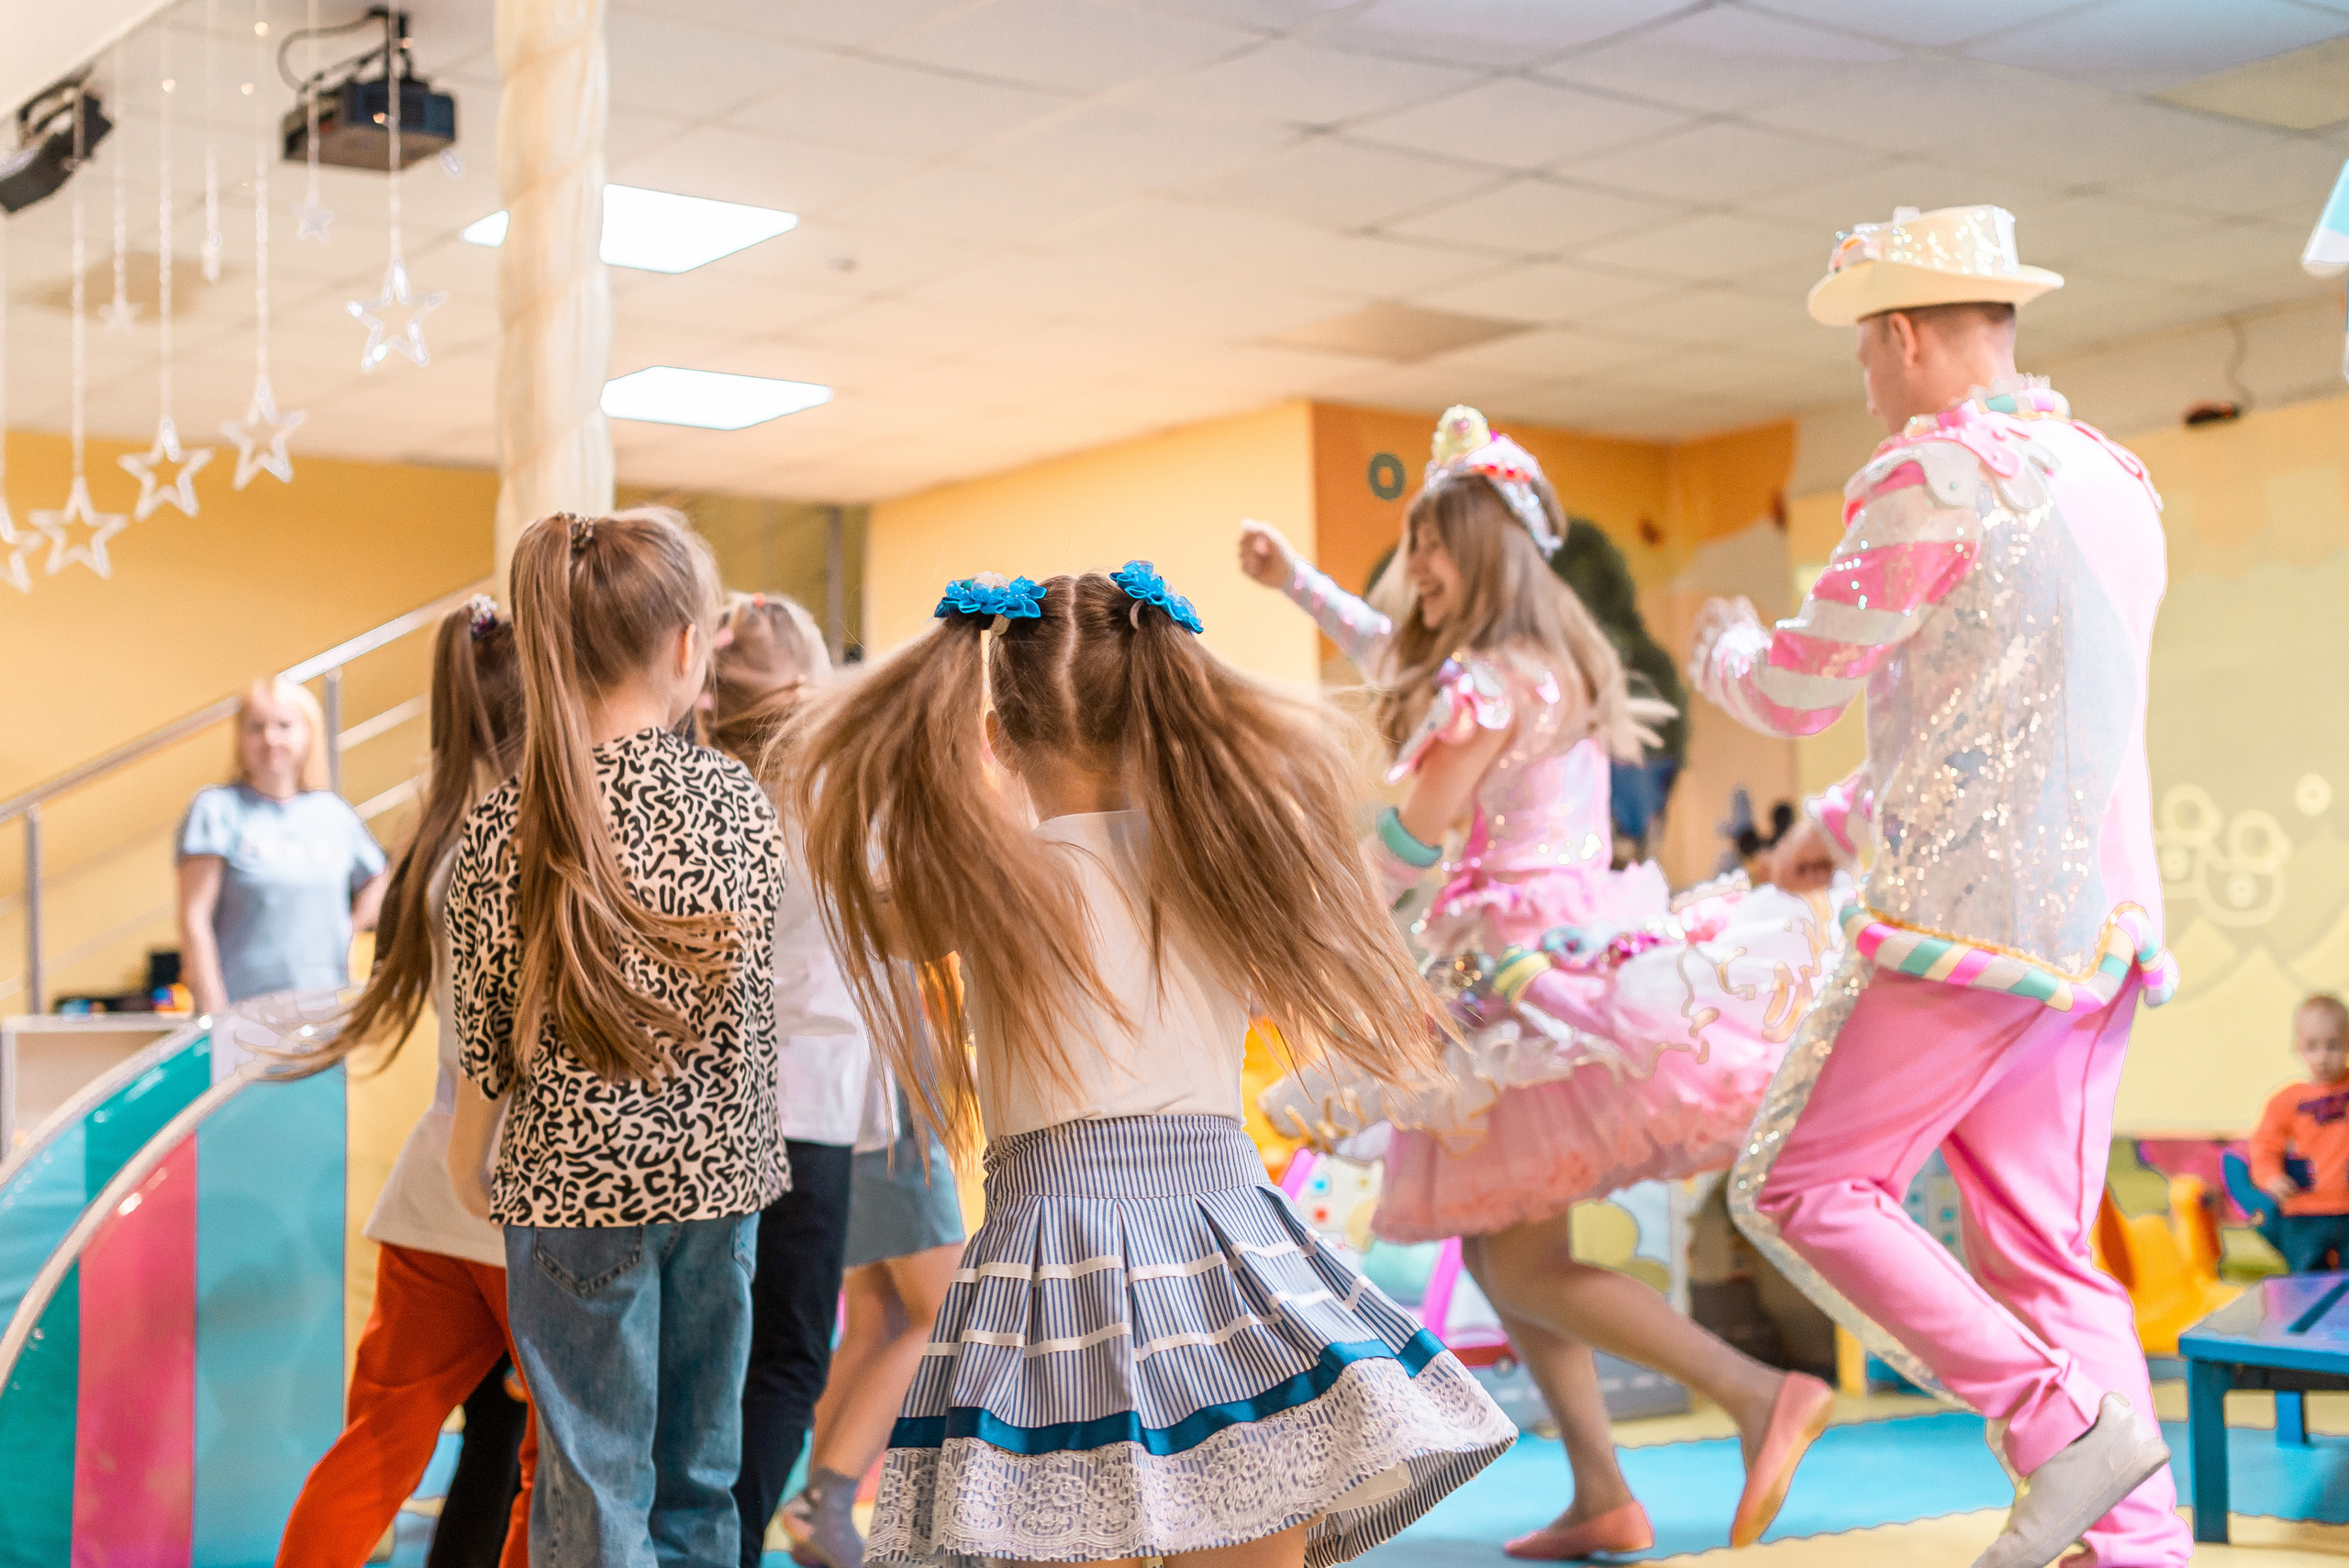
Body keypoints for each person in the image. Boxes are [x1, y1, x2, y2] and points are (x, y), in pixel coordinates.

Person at [783, 563, 1517, 1568]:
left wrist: (930, 721)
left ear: (998, 739)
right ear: (1161, 718)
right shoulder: (1222, 860)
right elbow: (1383, 871)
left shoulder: (992, 878)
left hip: (1056, 1273)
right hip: (1227, 1261)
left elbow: (862, 897)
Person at [1241, 408, 1836, 1561]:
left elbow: (1413, 838)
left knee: (1519, 1256)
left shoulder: (1484, 686)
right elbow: (1388, 650)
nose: (1414, 567)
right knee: (1514, 1248)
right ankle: (1605, 1488)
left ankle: (1758, 1392)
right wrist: (1296, 580)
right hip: (1549, 946)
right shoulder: (1532, 663)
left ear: (1483, 550)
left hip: (1513, 975)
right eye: (1411, 543)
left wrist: (1300, 936)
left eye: (1431, 542)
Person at [1690, 204, 2187, 1568]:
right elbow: (2022, 711)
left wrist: (1722, 649)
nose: (1864, 376)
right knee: (2045, 1250)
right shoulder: (2111, 476)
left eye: (1864, 347)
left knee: (1801, 1182)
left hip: (1966, 925)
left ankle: (2055, 1423)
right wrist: (1842, 819)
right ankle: (2133, 1547)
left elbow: (1804, 676)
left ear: (1903, 336)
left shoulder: (1937, 472)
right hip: (2102, 929)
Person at [446, 509, 786, 1567]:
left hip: (569, 1191)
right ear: (688, 648)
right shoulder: (738, 799)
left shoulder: (508, 820)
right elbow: (751, 1007)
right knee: (699, 1480)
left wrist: (469, 1166)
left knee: (591, 1490)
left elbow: (487, 1040)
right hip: (719, 1184)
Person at [275, 597, 535, 1568]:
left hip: (434, 1187)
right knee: (551, 1457)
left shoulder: (437, 830)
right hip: (523, 1194)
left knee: (377, 1442)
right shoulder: (528, 839)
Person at [700, 590, 872, 1567]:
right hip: (806, 1104)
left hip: (707, 1103)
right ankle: (723, 1548)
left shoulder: (702, 780)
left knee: (710, 1355)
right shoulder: (837, 787)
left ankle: (692, 1539)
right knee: (786, 1355)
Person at [779, 1047, 966, 1568]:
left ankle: (813, 1512)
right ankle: (826, 1503)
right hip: (883, 1100)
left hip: (839, 1105)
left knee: (876, 1321)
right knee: (944, 1315)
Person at [177, 674, 388, 1016]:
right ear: (239, 739)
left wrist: (350, 930)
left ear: (309, 734)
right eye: (256, 727)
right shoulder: (215, 810)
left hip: (324, 1013)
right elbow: (194, 919)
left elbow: (379, 877)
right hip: (243, 1013)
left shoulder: (334, 814)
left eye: (284, 725)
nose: (270, 738)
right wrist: (215, 1015)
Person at [2249, 993, 2349, 1273]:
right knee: (2306, 1283)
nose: (2323, 1057)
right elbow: (2265, 1145)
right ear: (2298, 1047)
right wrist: (2270, 1177)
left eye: (2333, 1046)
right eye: (2313, 1046)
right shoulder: (2285, 1101)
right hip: (2303, 1212)